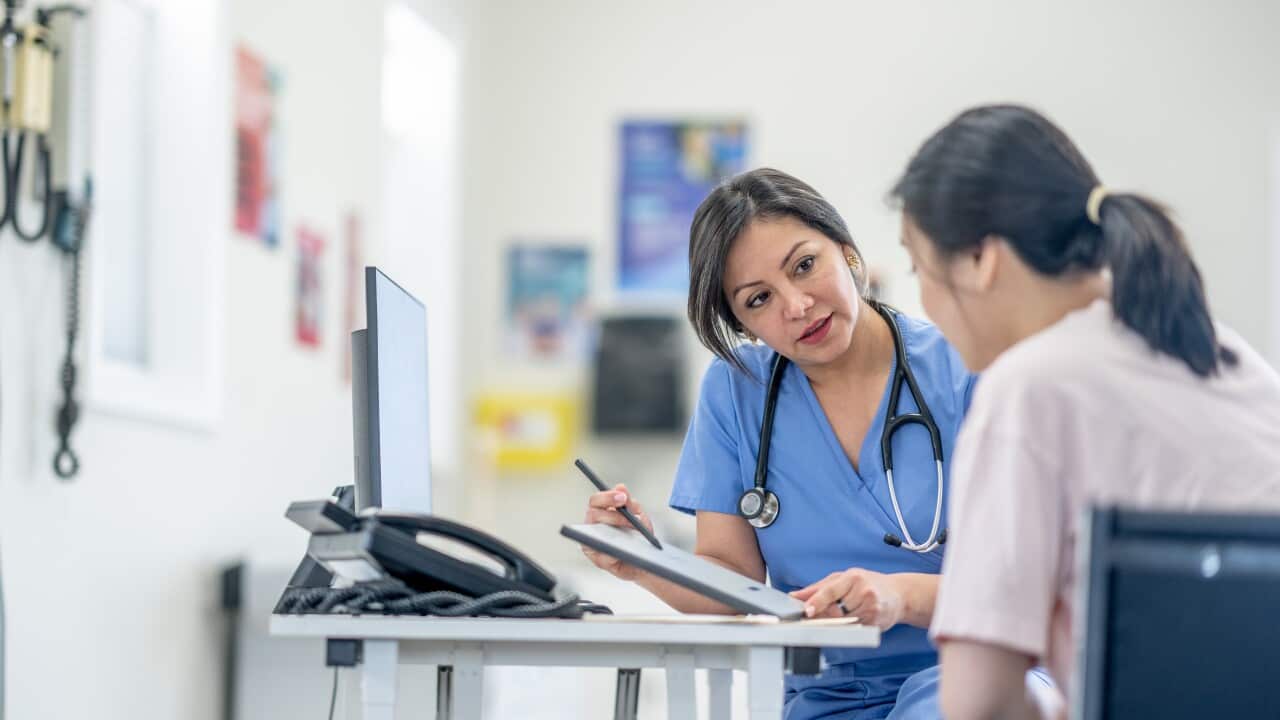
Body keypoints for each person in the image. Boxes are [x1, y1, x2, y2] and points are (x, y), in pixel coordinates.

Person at [888, 104, 1280, 720]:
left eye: (919, 266)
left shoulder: (1028, 387)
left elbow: (978, 705)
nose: (924, 300)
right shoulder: (1222, 352)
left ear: (979, 260)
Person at [582, 167, 980, 718]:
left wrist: (899, 595)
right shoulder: (735, 390)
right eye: (759, 299)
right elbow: (734, 578)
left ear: (848, 252)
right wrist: (643, 561)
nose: (796, 306)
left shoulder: (965, 369)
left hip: (969, 673)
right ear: (742, 323)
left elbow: (1025, 583)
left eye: (805, 266)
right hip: (826, 694)